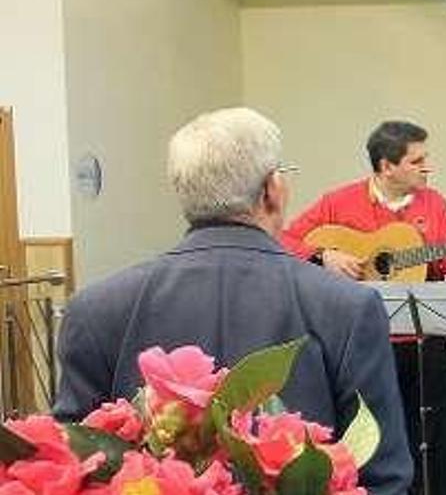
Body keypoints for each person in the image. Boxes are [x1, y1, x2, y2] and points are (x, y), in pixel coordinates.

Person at [52, 108, 413, 493]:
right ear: (273, 189)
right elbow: (383, 479)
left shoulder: (94, 311)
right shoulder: (349, 308)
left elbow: (69, 470)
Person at [280, 121, 446, 280]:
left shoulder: (434, 203)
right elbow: (283, 240)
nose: (427, 168)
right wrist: (324, 256)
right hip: (356, 330)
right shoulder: (337, 202)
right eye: (416, 162)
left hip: (421, 336)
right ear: (386, 167)